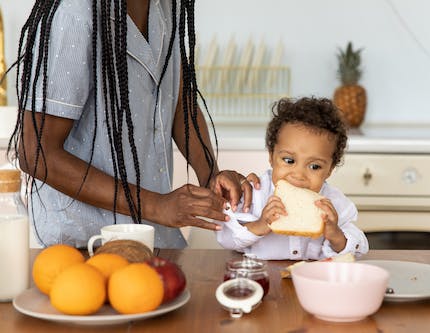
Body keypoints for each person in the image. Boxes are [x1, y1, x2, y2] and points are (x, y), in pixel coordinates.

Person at [6, 0, 258, 249]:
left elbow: (179, 101)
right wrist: (155, 205)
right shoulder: (74, 12)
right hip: (85, 248)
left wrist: (211, 177)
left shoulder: (165, 6)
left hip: (154, 241)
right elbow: (36, 152)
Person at [215, 97, 369, 260]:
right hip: (262, 278)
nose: (298, 175)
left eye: (314, 166)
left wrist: (336, 235)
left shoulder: (333, 202)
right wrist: (259, 225)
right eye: (289, 161)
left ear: (330, 170)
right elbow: (225, 238)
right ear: (271, 156)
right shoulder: (254, 194)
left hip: (313, 280)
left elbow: (361, 248)